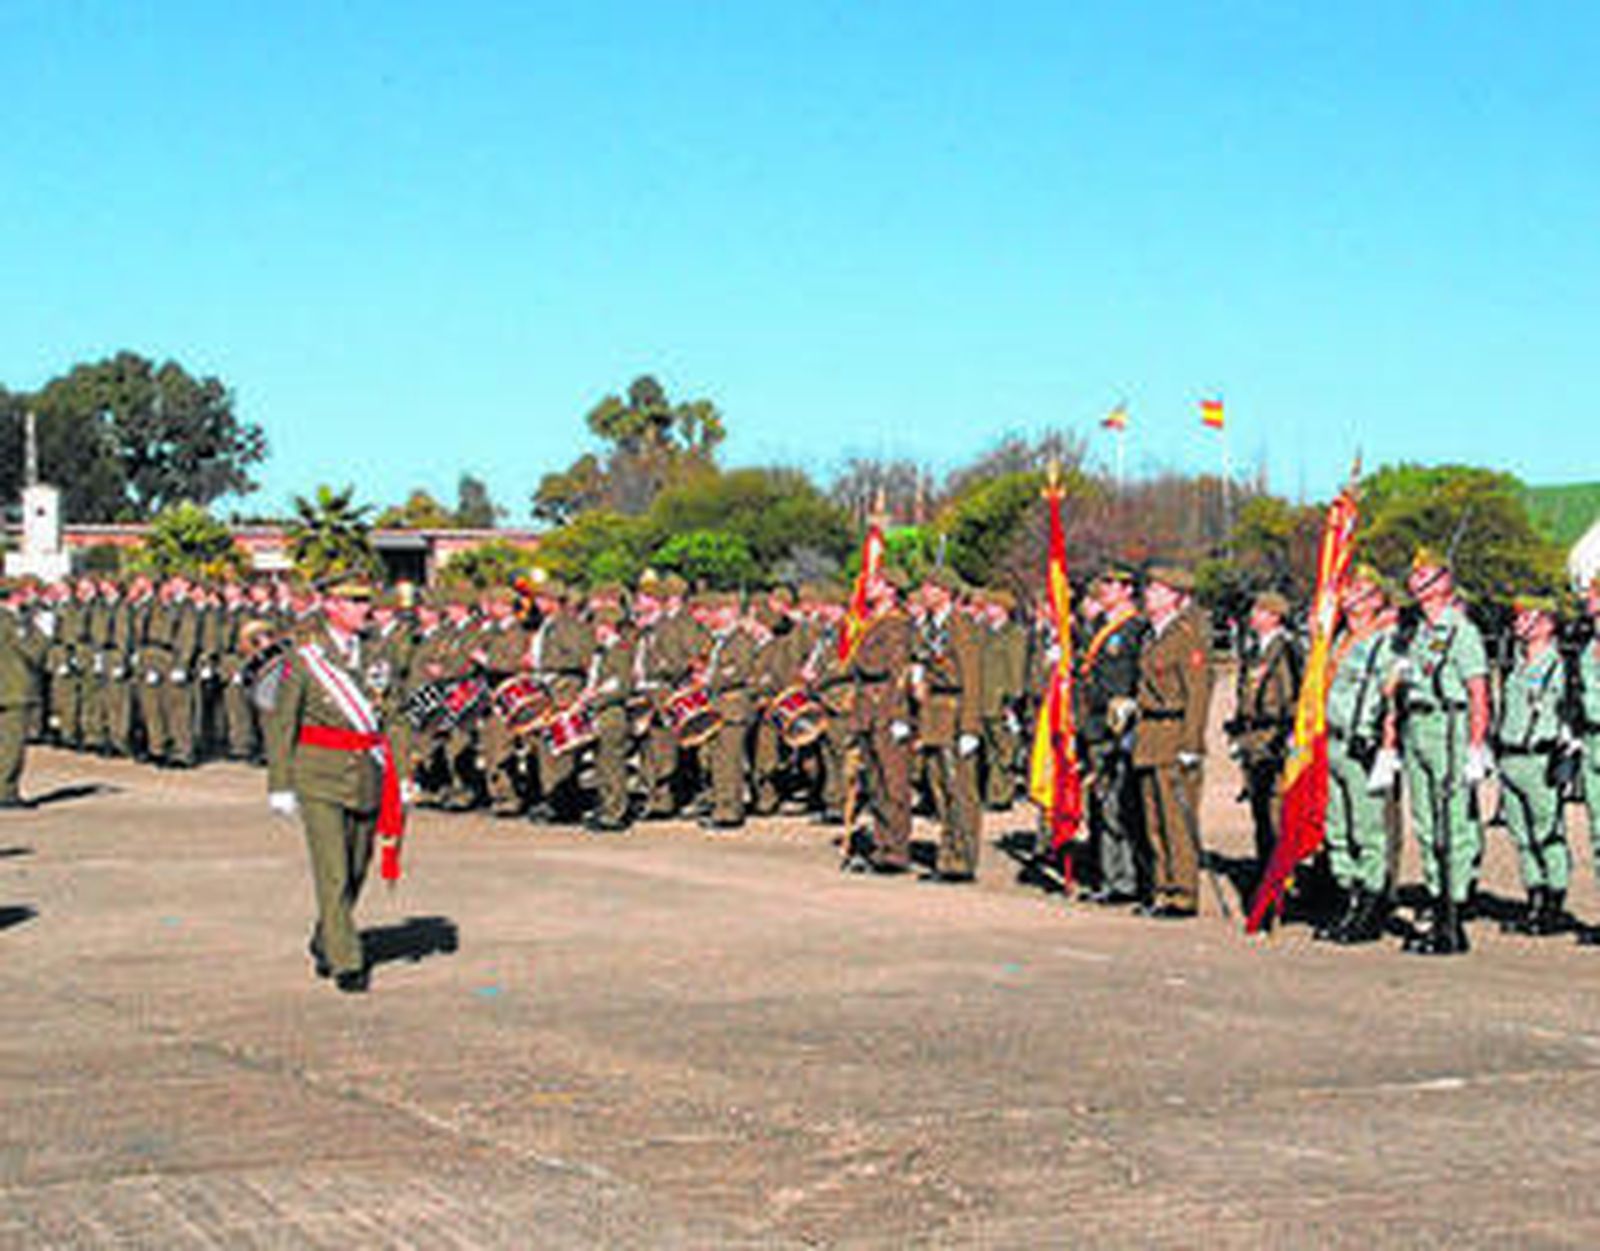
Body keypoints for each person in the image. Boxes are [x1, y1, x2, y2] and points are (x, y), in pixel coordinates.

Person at [263, 575, 405, 994]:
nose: (365, 608)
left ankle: (326, 937)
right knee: (333, 870)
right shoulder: (305, 658)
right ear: (331, 607)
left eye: (366, 601)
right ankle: (347, 960)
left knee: (358, 867)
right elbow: (281, 721)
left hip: (367, 772)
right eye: (355, 602)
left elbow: (393, 715)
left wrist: (405, 771)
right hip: (318, 774)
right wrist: (280, 782)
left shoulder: (378, 653)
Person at [1393, 547, 1492, 956]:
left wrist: (1475, 745)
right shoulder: (1420, 632)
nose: (1416, 582)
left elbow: (1478, 692)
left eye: (1426, 575)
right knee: (1426, 822)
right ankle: (1437, 900)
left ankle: (1453, 915)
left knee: (1451, 824)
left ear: (1444, 583)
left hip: (1449, 726)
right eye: (1414, 576)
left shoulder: (1461, 631)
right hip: (1418, 726)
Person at [1318, 565, 1400, 944]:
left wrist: (1387, 745)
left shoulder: (1386, 641)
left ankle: (1370, 905)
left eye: (1361, 591)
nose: (1350, 595)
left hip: (1361, 742)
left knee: (1368, 828)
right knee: (1337, 827)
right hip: (1331, 740)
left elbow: (1392, 697)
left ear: (1377, 601)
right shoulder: (1339, 639)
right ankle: (1347, 897)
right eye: (1349, 589)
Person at [1131, 566, 1214, 919]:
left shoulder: (1186, 636)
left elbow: (1197, 694)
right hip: (1150, 735)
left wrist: (1191, 745)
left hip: (1175, 732)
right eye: (1149, 588)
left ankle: (1183, 893)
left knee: (1176, 820)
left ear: (1176, 597)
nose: (1149, 594)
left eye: (1157, 589)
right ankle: (1162, 888)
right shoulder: (1152, 636)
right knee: (1154, 820)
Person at [1495, 594, 1573, 936]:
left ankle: (1554, 903)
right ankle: (1534, 900)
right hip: (1511, 756)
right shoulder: (1515, 663)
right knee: (1521, 835)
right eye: (1518, 617)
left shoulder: (1558, 665)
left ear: (1547, 624)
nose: (1519, 623)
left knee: (1547, 833)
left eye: (1528, 617)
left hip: (1541, 757)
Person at [1077, 566, 1148, 904]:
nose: (1103, 589)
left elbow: (1140, 677)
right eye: (1102, 583)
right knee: (1101, 804)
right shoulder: (1097, 628)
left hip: (1120, 727)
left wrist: (1132, 708)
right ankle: (1110, 876)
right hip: (1094, 725)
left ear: (1127, 590)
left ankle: (1128, 879)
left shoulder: (1135, 629)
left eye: (1111, 584)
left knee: (1120, 806)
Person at [911, 570, 985, 882]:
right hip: (933, 713)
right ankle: (947, 855)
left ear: (946, 592)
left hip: (955, 711)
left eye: (930, 587)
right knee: (939, 788)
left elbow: (971, 677)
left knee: (961, 791)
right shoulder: (927, 627)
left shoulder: (960, 625)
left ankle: (963, 860)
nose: (924, 593)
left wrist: (970, 727)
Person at [1228, 591, 1300, 900]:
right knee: (1259, 813)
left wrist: (1290, 733)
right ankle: (1265, 875)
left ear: (1275, 616)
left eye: (1260, 610)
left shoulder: (1287, 649)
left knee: (1277, 813)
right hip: (1252, 739)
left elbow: (1297, 695)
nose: (1252, 615)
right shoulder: (1254, 649)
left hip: (1275, 737)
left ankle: (1283, 880)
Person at [0, 583, 47, 807]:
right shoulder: (16, 623)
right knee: (12, 744)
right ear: (16, 597)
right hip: (15, 689)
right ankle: (6, 792)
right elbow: (34, 652)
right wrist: (40, 631)